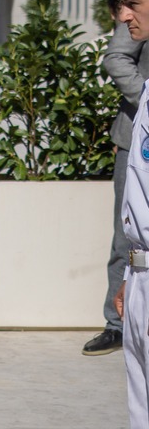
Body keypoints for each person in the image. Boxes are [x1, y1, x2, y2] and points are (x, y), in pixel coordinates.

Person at [94, 0, 149, 429]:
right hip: (141, 271)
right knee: (144, 420)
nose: (123, 19)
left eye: (131, 5)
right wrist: (129, 271)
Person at [90, 24, 146, 357]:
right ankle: (116, 325)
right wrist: (148, 100)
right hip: (138, 138)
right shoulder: (139, 6)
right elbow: (117, 57)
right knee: (127, 233)